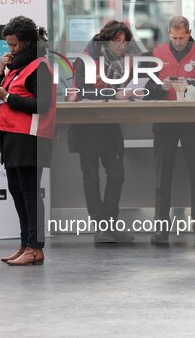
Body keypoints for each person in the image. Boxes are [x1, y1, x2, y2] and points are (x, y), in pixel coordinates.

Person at [0, 16, 55, 266]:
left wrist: (7, 97)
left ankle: (36, 247)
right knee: (18, 192)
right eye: (8, 45)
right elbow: (0, 94)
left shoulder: (39, 66)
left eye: (14, 45)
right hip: (13, 136)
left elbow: (43, 104)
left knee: (29, 193)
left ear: (27, 42)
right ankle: (26, 244)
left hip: (30, 138)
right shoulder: (16, 67)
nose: (10, 49)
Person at [146, 15, 195, 245]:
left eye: (182, 37)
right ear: (169, 33)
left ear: (189, 33)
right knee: (161, 178)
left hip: (193, 121)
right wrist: (159, 86)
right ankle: (160, 229)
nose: (178, 42)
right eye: (174, 37)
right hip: (164, 120)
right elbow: (146, 89)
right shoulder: (156, 53)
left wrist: (191, 84)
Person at [67, 20, 137, 243]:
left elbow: (127, 85)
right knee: (91, 177)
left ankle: (109, 223)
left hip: (110, 125)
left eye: (124, 41)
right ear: (106, 39)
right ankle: (100, 226)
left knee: (117, 174)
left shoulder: (124, 61)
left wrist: (131, 93)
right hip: (86, 126)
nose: (121, 45)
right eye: (117, 41)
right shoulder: (86, 58)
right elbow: (80, 92)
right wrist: (113, 95)